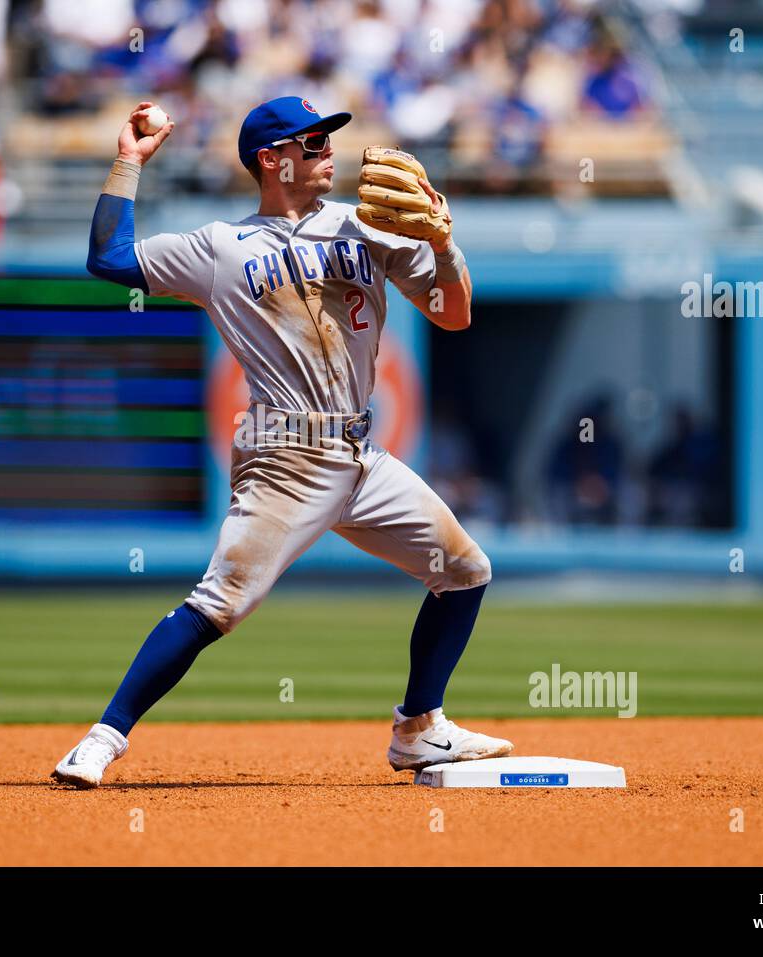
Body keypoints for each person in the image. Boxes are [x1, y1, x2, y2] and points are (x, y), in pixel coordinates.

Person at [53, 96, 512, 788]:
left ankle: (419, 729)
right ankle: (102, 738)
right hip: (284, 456)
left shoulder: (370, 228)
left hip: (361, 454)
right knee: (220, 604)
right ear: (272, 160)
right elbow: (108, 258)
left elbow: (453, 314)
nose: (329, 150)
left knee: (465, 569)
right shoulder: (218, 247)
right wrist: (129, 159)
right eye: (313, 141)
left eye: (329, 139)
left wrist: (445, 247)